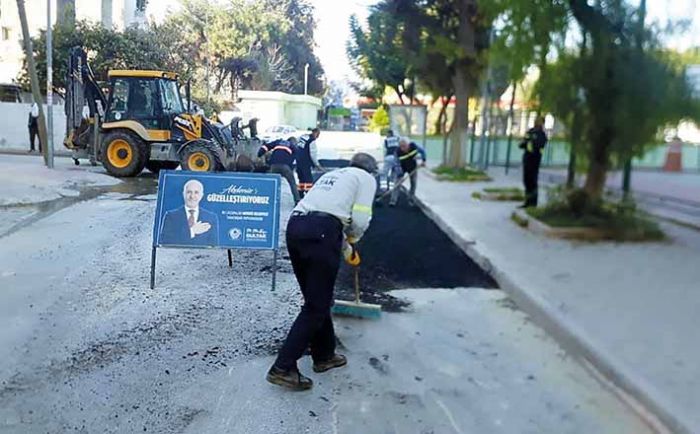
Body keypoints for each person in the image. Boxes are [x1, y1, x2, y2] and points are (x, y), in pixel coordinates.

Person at [267, 153, 378, 391]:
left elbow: (329, 213)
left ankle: (324, 355)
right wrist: (354, 239)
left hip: (296, 227)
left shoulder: (333, 175)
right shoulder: (366, 179)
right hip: (322, 233)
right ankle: (283, 367)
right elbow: (359, 217)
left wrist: (346, 249)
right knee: (316, 306)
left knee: (317, 299)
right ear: (371, 170)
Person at [159, 179, 219, 246]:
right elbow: (165, 241)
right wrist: (192, 231)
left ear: (201, 195)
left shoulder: (211, 218)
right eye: (189, 192)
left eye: (196, 192)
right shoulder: (171, 216)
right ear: (183, 194)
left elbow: (214, 246)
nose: (192, 196)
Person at [258, 137, 300, 204]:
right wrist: (292, 167)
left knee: (270, 183)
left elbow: (266, 146)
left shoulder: (278, 142)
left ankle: (265, 199)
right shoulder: (292, 146)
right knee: (292, 183)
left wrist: (260, 153)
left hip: (273, 165)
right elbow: (297, 158)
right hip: (285, 166)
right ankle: (297, 200)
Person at [519, 116, 548, 208]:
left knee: (533, 181)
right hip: (527, 158)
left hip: (535, 159)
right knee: (526, 180)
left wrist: (531, 141)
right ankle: (527, 201)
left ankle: (533, 203)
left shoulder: (542, 134)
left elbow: (540, 145)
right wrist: (527, 141)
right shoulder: (530, 131)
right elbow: (522, 143)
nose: (537, 123)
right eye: (536, 121)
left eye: (539, 122)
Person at [390, 137, 426, 207]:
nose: (402, 148)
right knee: (397, 184)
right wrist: (400, 174)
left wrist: (424, 160)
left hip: (412, 167)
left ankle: (411, 199)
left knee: (413, 183)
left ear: (408, 144)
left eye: (404, 146)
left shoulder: (414, 147)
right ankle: (393, 201)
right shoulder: (397, 152)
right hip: (402, 167)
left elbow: (423, 151)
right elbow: (396, 164)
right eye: (401, 146)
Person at [295, 128, 323, 199]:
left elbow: (296, 144)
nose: (318, 137)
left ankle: (300, 195)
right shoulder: (312, 141)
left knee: (301, 180)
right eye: (318, 134)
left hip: (298, 161)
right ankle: (309, 196)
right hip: (305, 162)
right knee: (308, 180)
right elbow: (313, 154)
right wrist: (317, 165)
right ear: (315, 133)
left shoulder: (303, 136)